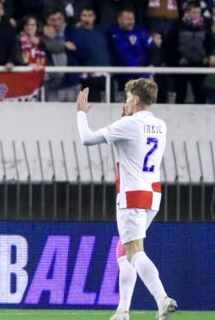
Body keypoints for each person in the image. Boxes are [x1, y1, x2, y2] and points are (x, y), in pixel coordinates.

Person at [75, 80, 177, 320]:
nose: (126, 102)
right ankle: (122, 311)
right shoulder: (160, 125)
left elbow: (87, 139)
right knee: (123, 251)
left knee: (134, 252)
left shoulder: (128, 124)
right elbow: (133, 142)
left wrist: (81, 114)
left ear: (136, 100)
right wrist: (124, 120)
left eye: (128, 98)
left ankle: (162, 299)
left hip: (132, 195)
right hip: (152, 195)